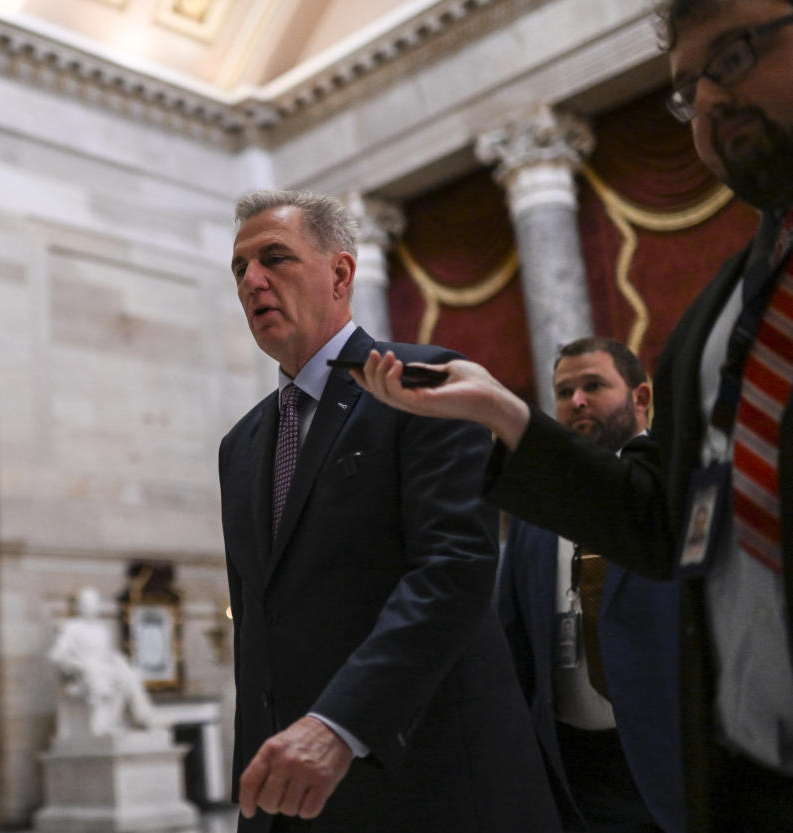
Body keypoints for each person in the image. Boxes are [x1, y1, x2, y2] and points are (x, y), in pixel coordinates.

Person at [350, 4, 793, 829]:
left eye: (732, 58)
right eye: (687, 91)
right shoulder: (712, 325)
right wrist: (500, 414)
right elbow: (659, 525)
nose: (710, 105)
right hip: (744, 781)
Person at [219, 189, 558, 832]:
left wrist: (339, 724)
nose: (252, 281)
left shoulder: (424, 383)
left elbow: (452, 571)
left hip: (427, 785)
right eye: (240, 269)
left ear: (341, 273)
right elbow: (256, 629)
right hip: (295, 799)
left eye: (274, 258)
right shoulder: (239, 446)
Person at [496, 338, 683, 833]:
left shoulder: (673, 492)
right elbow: (512, 636)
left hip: (673, 751)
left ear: (641, 398)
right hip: (575, 770)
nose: (575, 400)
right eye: (563, 391)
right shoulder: (532, 513)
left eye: (593, 386)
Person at [47, 586, 160, 738]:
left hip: (104, 668)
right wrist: (81, 665)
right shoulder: (72, 628)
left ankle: (144, 716)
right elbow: (56, 656)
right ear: (80, 606)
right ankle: (104, 726)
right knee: (106, 676)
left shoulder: (102, 630)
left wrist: (119, 661)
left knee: (129, 674)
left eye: (93, 603)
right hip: (84, 673)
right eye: (86, 603)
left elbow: (107, 654)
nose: (90, 607)